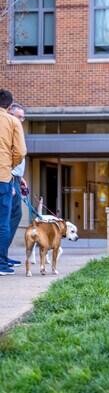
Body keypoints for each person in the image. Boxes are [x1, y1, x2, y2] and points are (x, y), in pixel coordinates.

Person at [0, 90, 27, 276]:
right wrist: (9, 166)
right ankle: (1, 265)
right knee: (3, 222)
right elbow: (20, 151)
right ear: (9, 107)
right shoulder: (12, 122)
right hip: (3, 178)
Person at [8, 104, 27, 267]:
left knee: (15, 214)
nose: (21, 120)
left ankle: (3, 254)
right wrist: (11, 178)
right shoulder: (8, 130)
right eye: (19, 117)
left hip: (15, 178)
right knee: (11, 216)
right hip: (8, 179)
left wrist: (20, 177)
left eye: (23, 117)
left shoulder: (15, 130)